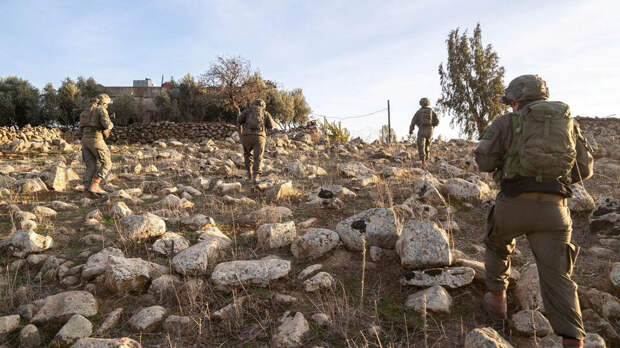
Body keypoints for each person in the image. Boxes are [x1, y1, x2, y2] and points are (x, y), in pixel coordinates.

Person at [474, 74, 593, 348]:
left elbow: (484, 161)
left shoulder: (507, 121)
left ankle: (498, 303)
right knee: (558, 276)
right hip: (555, 211)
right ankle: (573, 340)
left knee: (496, 243)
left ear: (515, 100)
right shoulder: (568, 123)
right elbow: (584, 169)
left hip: (513, 202)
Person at [79, 93, 114, 196]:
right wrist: (112, 123)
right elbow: (106, 125)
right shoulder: (101, 110)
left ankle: (86, 189)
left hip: (84, 140)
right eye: (107, 104)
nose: (107, 106)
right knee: (107, 163)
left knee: (91, 165)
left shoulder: (85, 111)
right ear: (103, 103)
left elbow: (81, 128)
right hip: (96, 139)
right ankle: (95, 184)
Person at [236, 98, 276, 183]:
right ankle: (255, 177)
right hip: (259, 137)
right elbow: (271, 126)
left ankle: (249, 174)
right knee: (258, 157)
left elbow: (239, 120)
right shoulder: (265, 113)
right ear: (263, 105)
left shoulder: (247, 111)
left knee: (247, 155)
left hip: (246, 136)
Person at [409, 97, 439, 168]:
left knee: (421, 145)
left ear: (420, 103)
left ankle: (423, 162)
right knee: (428, 145)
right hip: (430, 130)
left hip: (422, 129)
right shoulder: (431, 111)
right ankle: (427, 160)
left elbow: (413, 121)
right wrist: (432, 126)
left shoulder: (418, 112)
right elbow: (437, 121)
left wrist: (411, 130)